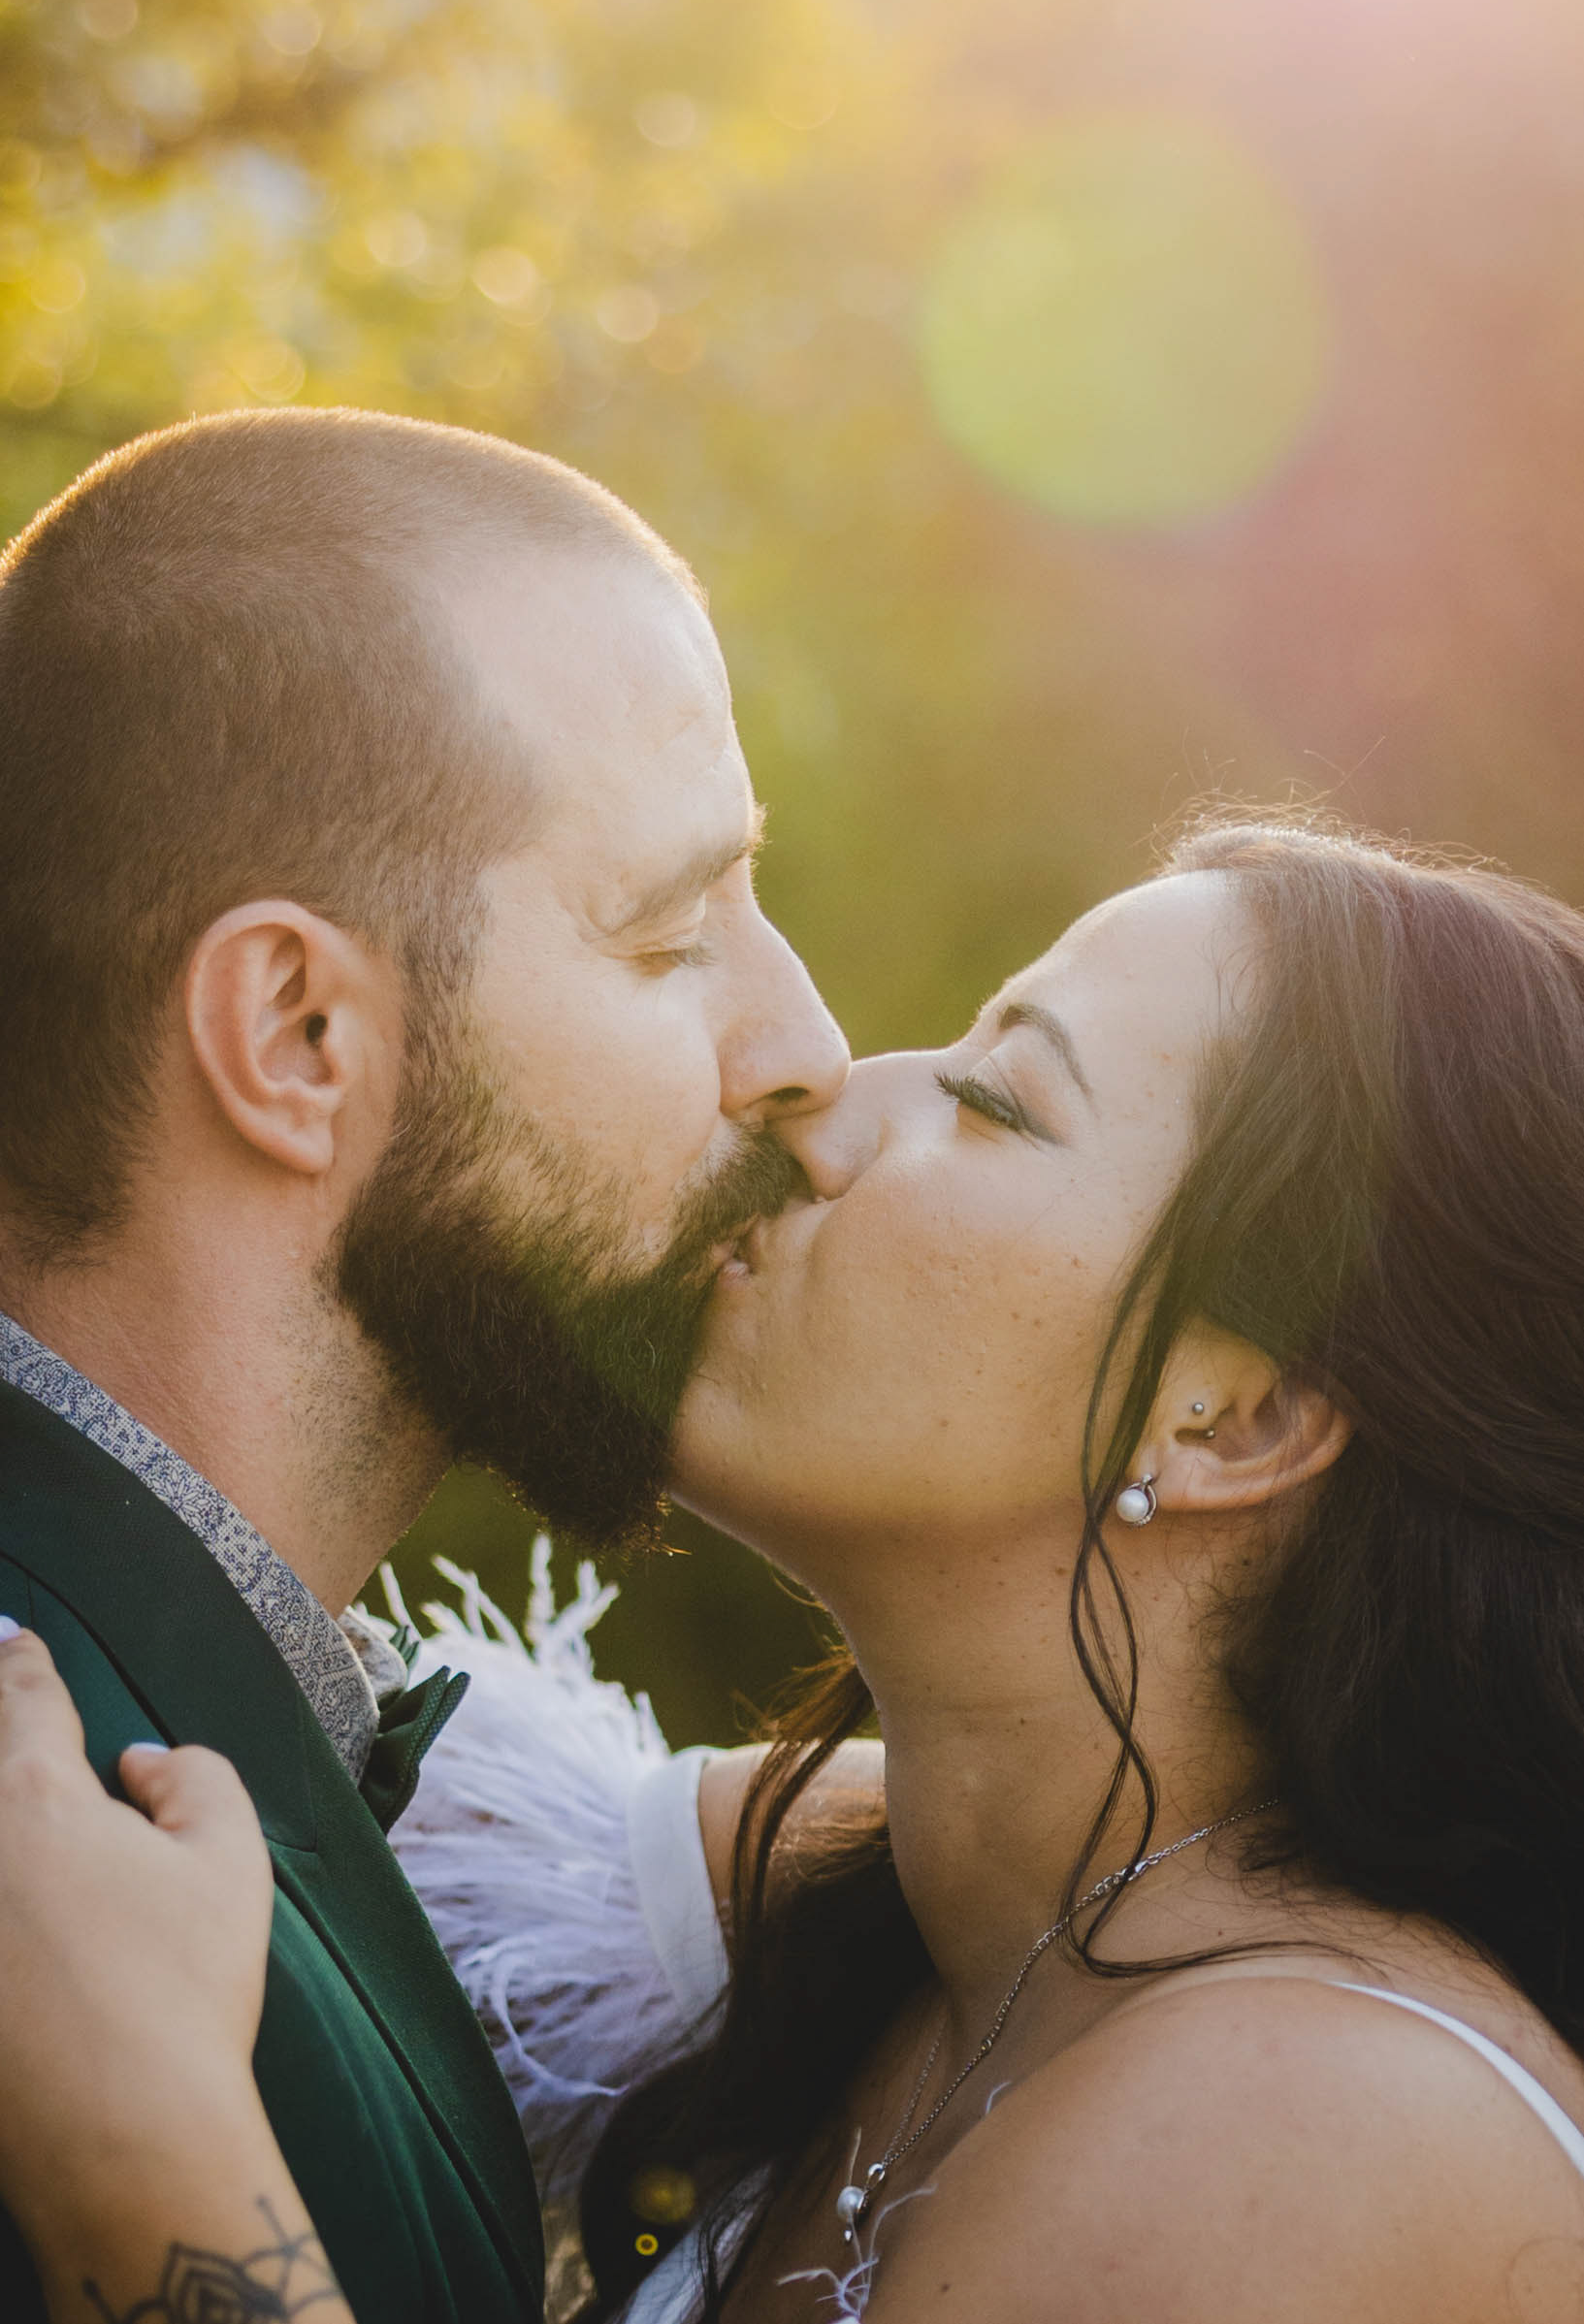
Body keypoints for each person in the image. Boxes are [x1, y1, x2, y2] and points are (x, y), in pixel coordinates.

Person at [7, 818, 1584, 2323]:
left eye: (995, 1099)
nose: (820, 1099)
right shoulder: (918, 1885)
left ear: (1235, 1417)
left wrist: (142, 2144)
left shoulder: (1307, 2132)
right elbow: (224, 1648)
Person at [0, 406, 849, 2324]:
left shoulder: (198, 1713)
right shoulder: (43, 1809)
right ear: (298, 1033)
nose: (802, 1043)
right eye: (666, 936)